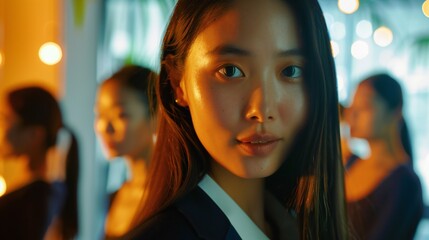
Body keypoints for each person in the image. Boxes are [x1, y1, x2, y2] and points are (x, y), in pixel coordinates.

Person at [126, 0, 348, 239]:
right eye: (230, 70)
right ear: (178, 83)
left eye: (290, 71)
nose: (262, 110)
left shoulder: (296, 224)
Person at [345, 73, 423, 239]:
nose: (353, 115)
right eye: (352, 108)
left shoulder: (405, 182)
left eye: (365, 106)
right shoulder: (351, 162)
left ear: (396, 110)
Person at [0, 86, 79, 239]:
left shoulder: (34, 199)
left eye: (5, 120)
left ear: (34, 135)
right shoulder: (38, 193)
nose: (1, 129)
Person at [94, 65, 158, 238]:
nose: (105, 127)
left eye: (120, 115)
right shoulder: (117, 194)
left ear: (156, 117)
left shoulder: (170, 197)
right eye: (99, 114)